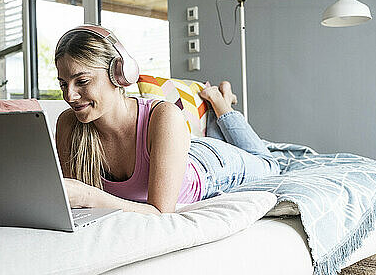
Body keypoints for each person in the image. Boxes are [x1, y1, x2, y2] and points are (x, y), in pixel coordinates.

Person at [55, 25, 280, 215]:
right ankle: (218, 105)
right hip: (177, 149)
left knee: (270, 164)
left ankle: (221, 104)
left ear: (119, 74)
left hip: (211, 165)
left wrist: (86, 195)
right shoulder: (68, 124)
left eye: (82, 81)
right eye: (63, 84)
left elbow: (161, 212)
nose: (69, 96)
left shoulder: (164, 116)